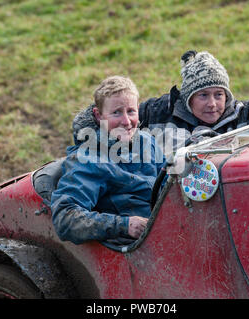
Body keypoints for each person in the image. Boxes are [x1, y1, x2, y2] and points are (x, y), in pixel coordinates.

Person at [72, 50, 249, 151]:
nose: (212, 104)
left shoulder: (237, 115)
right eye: (203, 96)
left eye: (218, 95)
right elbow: (112, 119)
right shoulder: (160, 111)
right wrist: (106, 132)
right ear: (187, 98)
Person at [51, 76, 165, 245]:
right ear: (99, 116)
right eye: (116, 113)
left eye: (131, 111)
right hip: (135, 244)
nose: (126, 122)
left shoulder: (146, 141)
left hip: (167, 226)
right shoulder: (88, 160)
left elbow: (169, 182)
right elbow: (65, 218)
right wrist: (124, 225)